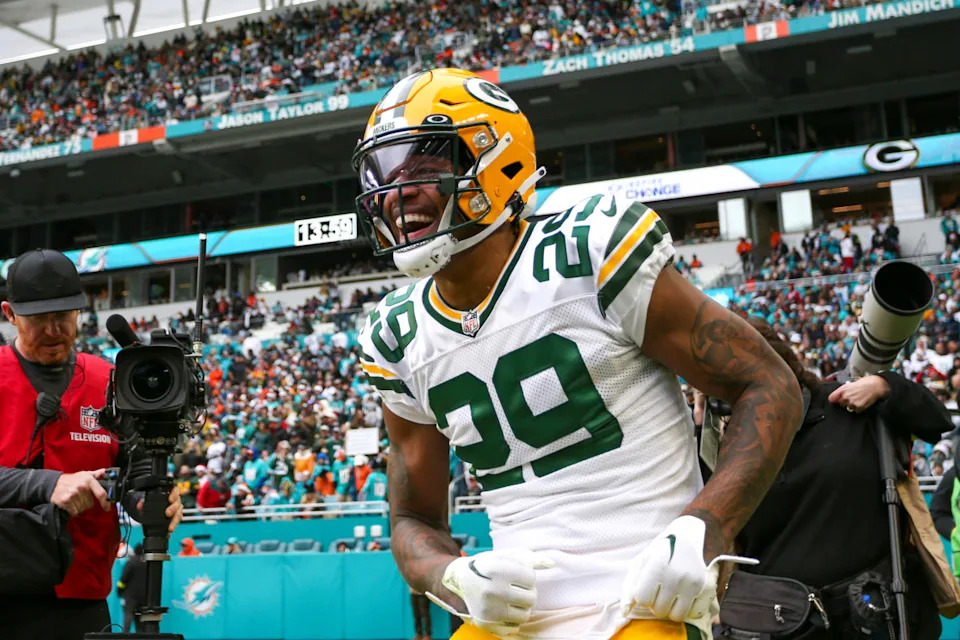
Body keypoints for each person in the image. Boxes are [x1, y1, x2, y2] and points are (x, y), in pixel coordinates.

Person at [353, 69, 802, 640]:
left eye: (424, 168)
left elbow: (769, 384)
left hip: (647, 592)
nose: (397, 192)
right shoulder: (398, 335)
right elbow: (412, 519)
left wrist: (702, 530)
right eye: (386, 174)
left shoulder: (590, 250)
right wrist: (454, 577)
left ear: (499, 165)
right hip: (513, 613)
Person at [716, 318, 948, 640]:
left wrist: (887, 386)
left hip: (873, 614)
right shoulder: (730, 438)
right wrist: (702, 429)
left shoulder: (844, 400)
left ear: (778, 365)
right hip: (779, 622)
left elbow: (937, 421)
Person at [0, 248, 183, 640]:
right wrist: (49, 484)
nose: (54, 330)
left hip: (83, 598)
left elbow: (135, 469)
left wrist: (149, 501)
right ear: (9, 314)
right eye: (38, 319)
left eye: (63, 316)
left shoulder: (109, 379)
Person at [117, 543, 147, 632]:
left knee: (128, 618)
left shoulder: (131, 562)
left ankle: (125, 638)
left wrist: (119, 591)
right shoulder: (148, 563)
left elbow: (123, 579)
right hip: (144, 597)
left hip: (130, 596)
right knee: (140, 622)